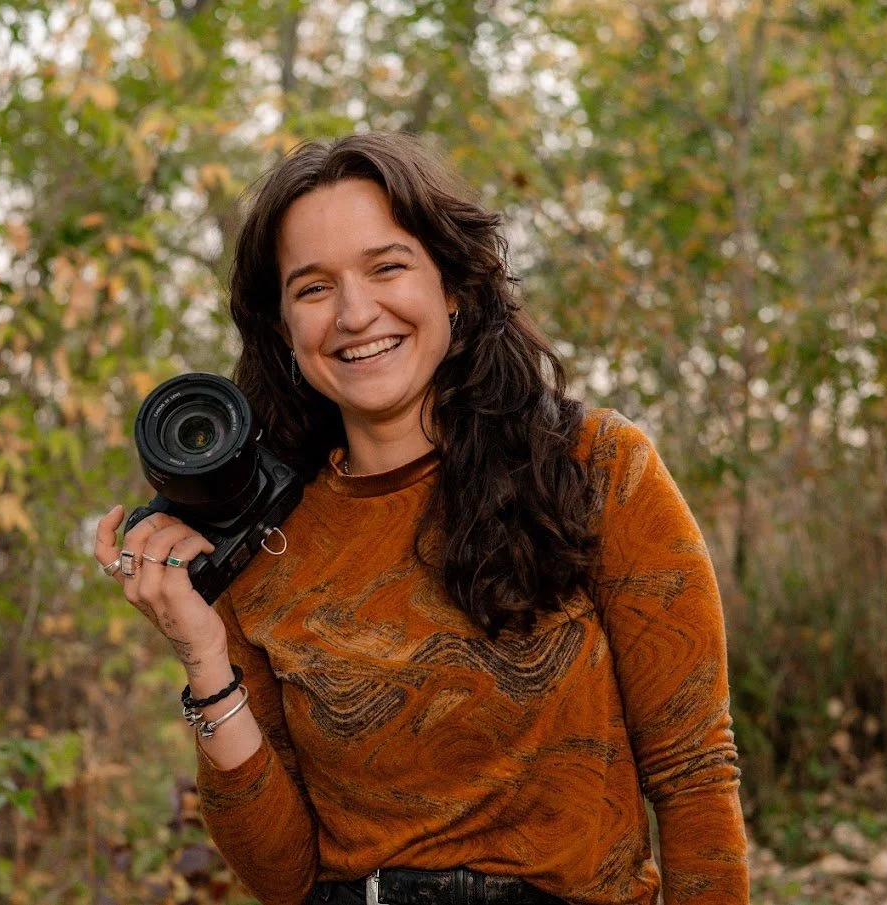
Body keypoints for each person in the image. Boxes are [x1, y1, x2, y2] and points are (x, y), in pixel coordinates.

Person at [92, 131, 749, 905]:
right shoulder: (262, 536)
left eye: (387, 266)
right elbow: (282, 876)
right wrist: (204, 659)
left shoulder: (596, 466)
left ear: (453, 286)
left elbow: (694, 772)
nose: (355, 312)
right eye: (312, 288)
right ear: (282, 329)